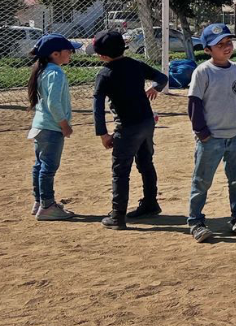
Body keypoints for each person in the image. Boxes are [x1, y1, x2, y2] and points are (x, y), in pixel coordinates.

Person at [91, 30, 169, 230]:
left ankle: (117, 216)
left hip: (127, 127)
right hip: (146, 122)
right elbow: (162, 77)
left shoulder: (104, 73)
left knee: (120, 171)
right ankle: (150, 203)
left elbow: (97, 107)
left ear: (102, 55)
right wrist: (155, 88)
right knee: (146, 162)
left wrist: (102, 134)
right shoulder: (136, 64)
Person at [186, 23, 236, 243]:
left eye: (228, 43)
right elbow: (194, 103)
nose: (226, 47)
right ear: (207, 50)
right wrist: (202, 132)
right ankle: (196, 221)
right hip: (211, 139)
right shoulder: (203, 72)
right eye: (220, 45)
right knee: (202, 181)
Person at [27, 33, 83, 221]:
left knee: (40, 165)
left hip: (40, 126)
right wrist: (64, 125)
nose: (71, 54)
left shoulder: (43, 70)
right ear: (56, 54)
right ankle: (48, 206)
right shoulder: (56, 73)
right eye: (69, 50)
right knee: (49, 167)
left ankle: (40, 201)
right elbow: (54, 104)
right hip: (51, 128)